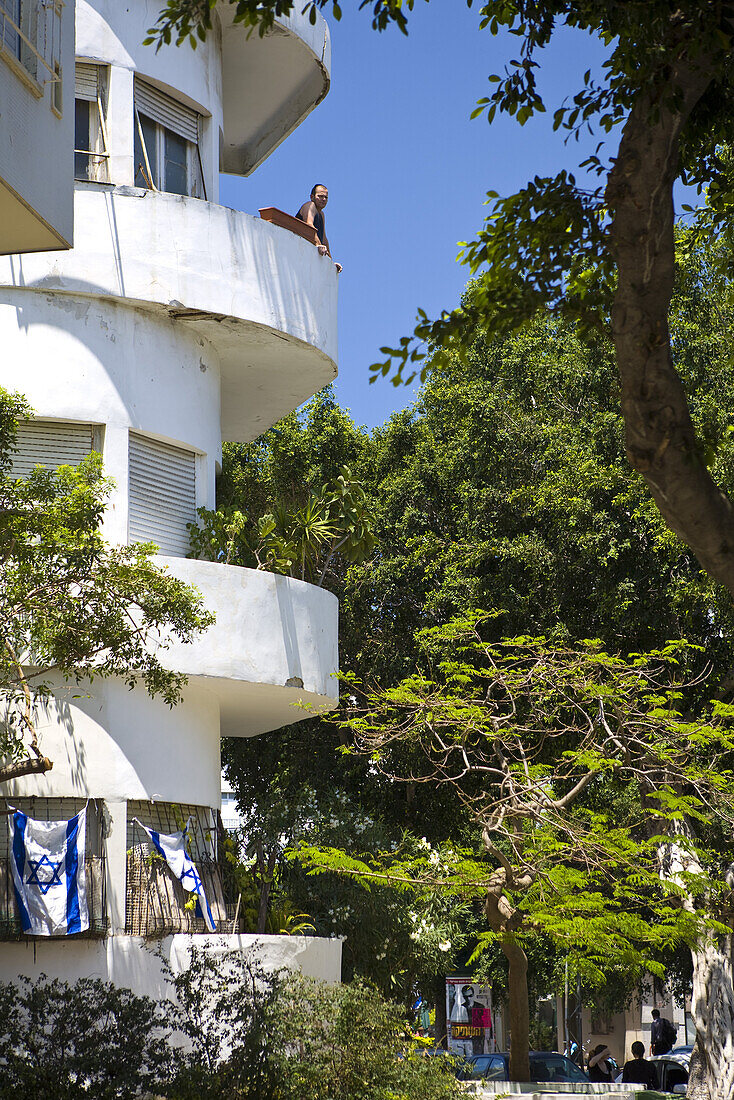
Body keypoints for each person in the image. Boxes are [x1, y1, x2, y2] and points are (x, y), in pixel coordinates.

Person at [295, 184, 342, 272]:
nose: (323, 199)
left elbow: (324, 238)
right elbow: (309, 225)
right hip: (299, 249)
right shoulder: (310, 205)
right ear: (312, 197)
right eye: (320, 196)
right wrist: (318, 245)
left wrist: (330, 262)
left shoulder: (322, 215)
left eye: (326, 197)